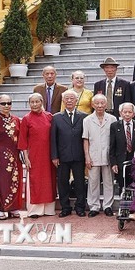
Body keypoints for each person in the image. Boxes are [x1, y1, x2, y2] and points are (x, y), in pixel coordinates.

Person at [19, 93, 56, 218]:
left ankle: (49, 209)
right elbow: (22, 141)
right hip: (34, 155)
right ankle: (34, 210)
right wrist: (26, 158)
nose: (34, 104)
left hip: (49, 154)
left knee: (49, 180)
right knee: (35, 181)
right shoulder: (26, 119)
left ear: (42, 102)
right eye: (32, 102)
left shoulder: (49, 116)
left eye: (37, 102)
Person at [51, 89, 87, 217]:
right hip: (62, 156)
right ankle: (65, 207)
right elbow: (53, 139)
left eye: (72, 98)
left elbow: (86, 138)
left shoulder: (84, 117)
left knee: (80, 182)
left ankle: (80, 207)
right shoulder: (56, 118)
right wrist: (54, 156)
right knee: (62, 182)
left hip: (79, 155)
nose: (69, 101)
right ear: (63, 101)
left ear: (76, 100)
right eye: (67, 98)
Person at [0, 95, 23, 219]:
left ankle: (14, 208)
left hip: (15, 155)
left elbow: (21, 138)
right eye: (3, 103)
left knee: (15, 181)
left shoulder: (16, 120)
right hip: (1, 156)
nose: (6, 106)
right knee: (2, 182)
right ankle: (1, 210)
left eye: (9, 103)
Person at [83, 94, 117, 217]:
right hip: (93, 155)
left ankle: (108, 205)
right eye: (97, 103)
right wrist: (87, 156)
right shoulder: (87, 120)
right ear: (92, 105)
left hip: (108, 155)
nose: (100, 106)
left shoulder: (112, 119)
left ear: (106, 105)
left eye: (102, 103)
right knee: (93, 182)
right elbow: (85, 139)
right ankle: (94, 206)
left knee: (109, 181)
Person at [110, 102, 135, 192]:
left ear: (134, 114)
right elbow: (112, 145)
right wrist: (113, 163)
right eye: (125, 112)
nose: (127, 114)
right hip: (121, 160)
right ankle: (124, 204)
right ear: (120, 113)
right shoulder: (115, 126)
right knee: (122, 184)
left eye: (130, 112)